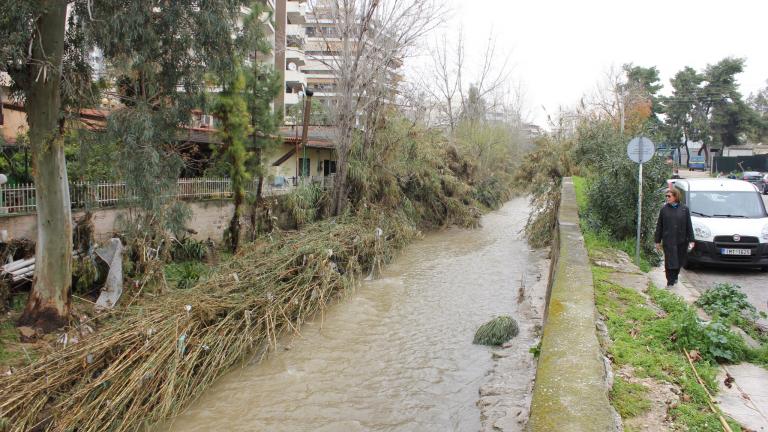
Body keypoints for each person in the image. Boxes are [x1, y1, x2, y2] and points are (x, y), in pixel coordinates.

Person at [654, 188, 695, 287]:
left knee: (679, 260)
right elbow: (660, 225)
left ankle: (675, 276)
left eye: (669, 196)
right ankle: (670, 281)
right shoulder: (664, 209)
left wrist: (691, 240)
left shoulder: (684, 209)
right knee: (669, 261)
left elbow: (689, 225)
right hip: (668, 240)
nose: (667, 198)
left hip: (681, 240)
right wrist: (657, 241)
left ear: (676, 196)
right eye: (666, 196)